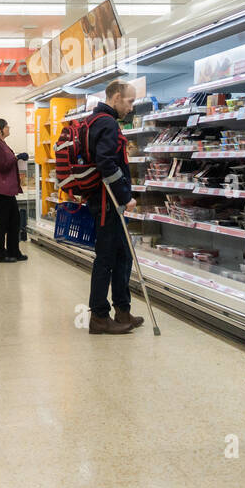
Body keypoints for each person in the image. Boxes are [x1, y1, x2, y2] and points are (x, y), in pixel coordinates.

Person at [84, 80, 143, 335]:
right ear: (117, 97)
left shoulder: (94, 120)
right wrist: (125, 195)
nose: (131, 107)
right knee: (107, 259)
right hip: (109, 203)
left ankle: (122, 310)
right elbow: (106, 163)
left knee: (122, 256)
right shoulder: (107, 123)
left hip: (104, 200)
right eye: (129, 101)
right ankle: (98, 316)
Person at [0, 118, 28, 263]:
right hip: (0, 190)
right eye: (6, 126)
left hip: (7, 190)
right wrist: (17, 157)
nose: (9, 128)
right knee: (1, 223)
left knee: (14, 221)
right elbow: (2, 166)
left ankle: (13, 251)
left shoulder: (1, 144)